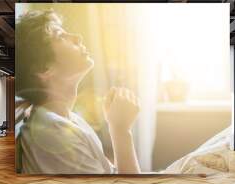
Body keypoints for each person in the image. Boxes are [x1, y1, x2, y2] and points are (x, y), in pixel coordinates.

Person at [16, 10, 141, 174]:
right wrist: (121, 130)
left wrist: (116, 124)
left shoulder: (69, 120)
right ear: (44, 68)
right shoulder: (54, 133)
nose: (77, 38)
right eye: (60, 35)